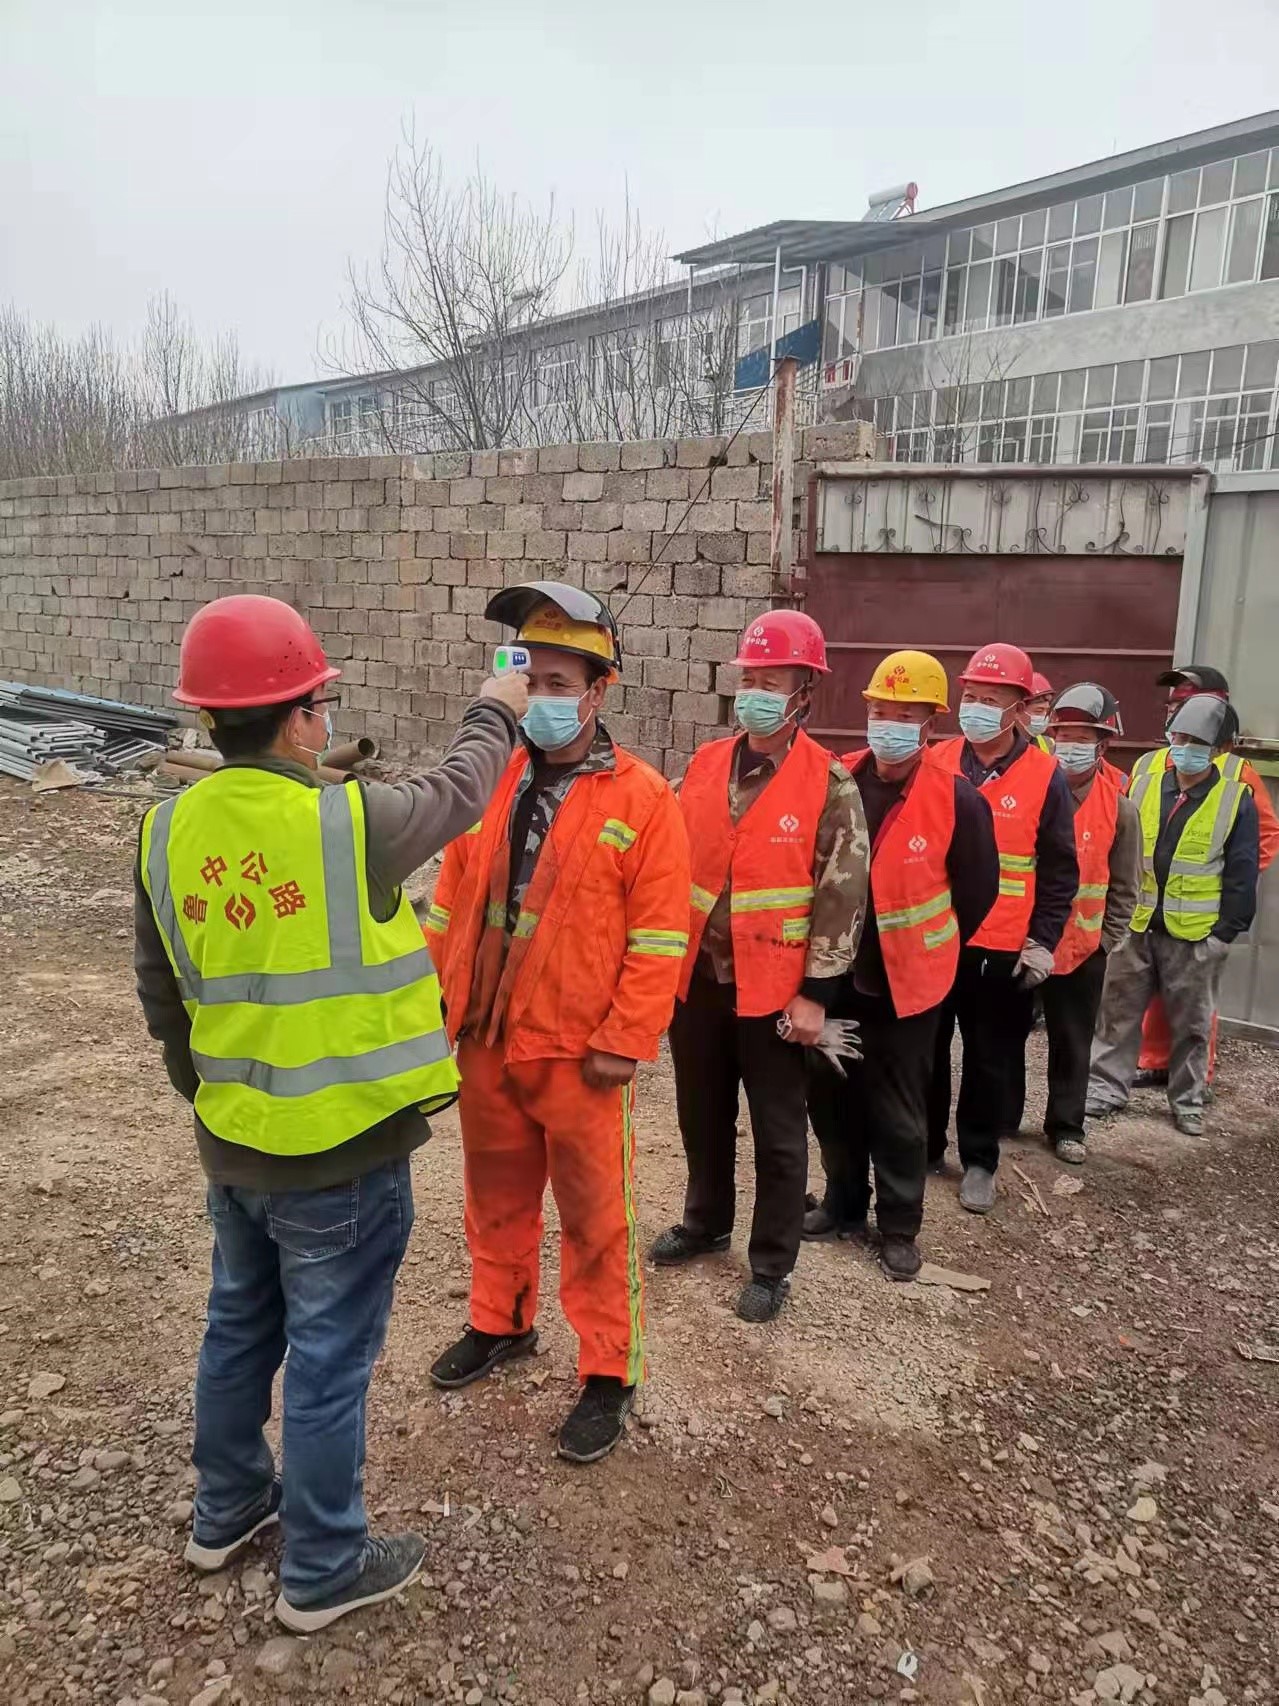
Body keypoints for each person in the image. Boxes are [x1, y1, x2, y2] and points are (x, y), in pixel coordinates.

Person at [134, 594, 524, 1632]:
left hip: (235, 1146)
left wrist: (212, 1095)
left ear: (209, 715)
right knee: (327, 1359)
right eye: (318, 703)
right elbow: (461, 788)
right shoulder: (348, 824)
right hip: (343, 1157)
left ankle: (225, 1510)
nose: (324, 718)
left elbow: (160, 993)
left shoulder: (165, 829)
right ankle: (321, 1564)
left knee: (238, 1326)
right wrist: (497, 705)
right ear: (301, 719)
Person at [424, 581, 689, 1465]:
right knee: (494, 1196)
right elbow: (450, 900)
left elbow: (660, 936)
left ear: (598, 691)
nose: (539, 698)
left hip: (578, 1053)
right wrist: (435, 1005)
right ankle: (500, 1321)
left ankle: (609, 1369)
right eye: (528, 680)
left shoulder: (642, 798)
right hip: (487, 1037)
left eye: (558, 684)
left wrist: (625, 1039)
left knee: (594, 1216)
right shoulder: (492, 779)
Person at [650, 610, 868, 1322]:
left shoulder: (828, 782)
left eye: (771, 683)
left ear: (804, 691)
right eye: (750, 679)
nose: (756, 694)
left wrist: (816, 995)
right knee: (700, 1114)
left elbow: (842, 895)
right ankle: (705, 1222)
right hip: (699, 980)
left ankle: (772, 1264)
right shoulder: (706, 763)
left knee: (777, 1135)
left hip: (775, 992)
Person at [803, 651, 999, 1278]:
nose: (888, 725)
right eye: (880, 712)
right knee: (832, 1099)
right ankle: (841, 1204)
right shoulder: (837, 780)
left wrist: (927, 946)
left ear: (930, 725)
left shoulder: (958, 799)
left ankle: (899, 1226)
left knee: (899, 1112)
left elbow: (978, 891)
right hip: (834, 977)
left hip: (906, 984)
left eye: (904, 716)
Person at [926, 643, 1079, 1213]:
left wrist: (1043, 941)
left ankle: (980, 1161)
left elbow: (1060, 869)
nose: (976, 708)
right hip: (937, 940)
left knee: (989, 1061)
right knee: (926, 1054)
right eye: (970, 696)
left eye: (991, 699)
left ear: (1019, 707)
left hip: (1003, 950)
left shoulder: (1046, 775)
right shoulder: (937, 759)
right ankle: (924, 1148)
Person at [1087, 693, 1260, 1136]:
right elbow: (1116, 850)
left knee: (1192, 1025)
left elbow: (1242, 874)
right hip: (1137, 925)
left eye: (1196, 742)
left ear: (1220, 749)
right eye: (1179, 737)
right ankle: (1105, 1089)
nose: (1184, 748)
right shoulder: (1144, 783)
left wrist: (1224, 934)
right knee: (1117, 1013)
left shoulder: (1234, 798)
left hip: (1195, 935)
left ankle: (1188, 1100)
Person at [1132, 664, 1278, 1088]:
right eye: (1173, 704)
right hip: (1146, 911)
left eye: (1187, 703)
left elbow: (1265, 836)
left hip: (1197, 916)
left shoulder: (1236, 772)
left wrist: (1222, 885)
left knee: (1194, 1004)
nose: (1175, 711)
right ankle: (1153, 1062)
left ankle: (1194, 1081)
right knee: (1147, 996)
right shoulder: (1150, 764)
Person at [1039, 684, 1141, 1164]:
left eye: (1082, 738)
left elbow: (1125, 885)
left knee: (1072, 1042)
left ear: (1102, 746)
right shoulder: (1032, 791)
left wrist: (1105, 942)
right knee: (1002, 1039)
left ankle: (1066, 1126)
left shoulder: (1120, 808)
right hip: (1025, 942)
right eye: (1064, 736)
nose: (1070, 746)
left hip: (1083, 950)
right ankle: (1002, 1120)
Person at [1022, 672, 1055, 751]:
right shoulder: (1000, 745)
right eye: (1039, 711)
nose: (1044, 716)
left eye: (1047, 711)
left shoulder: (1049, 745)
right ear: (1018, 710)